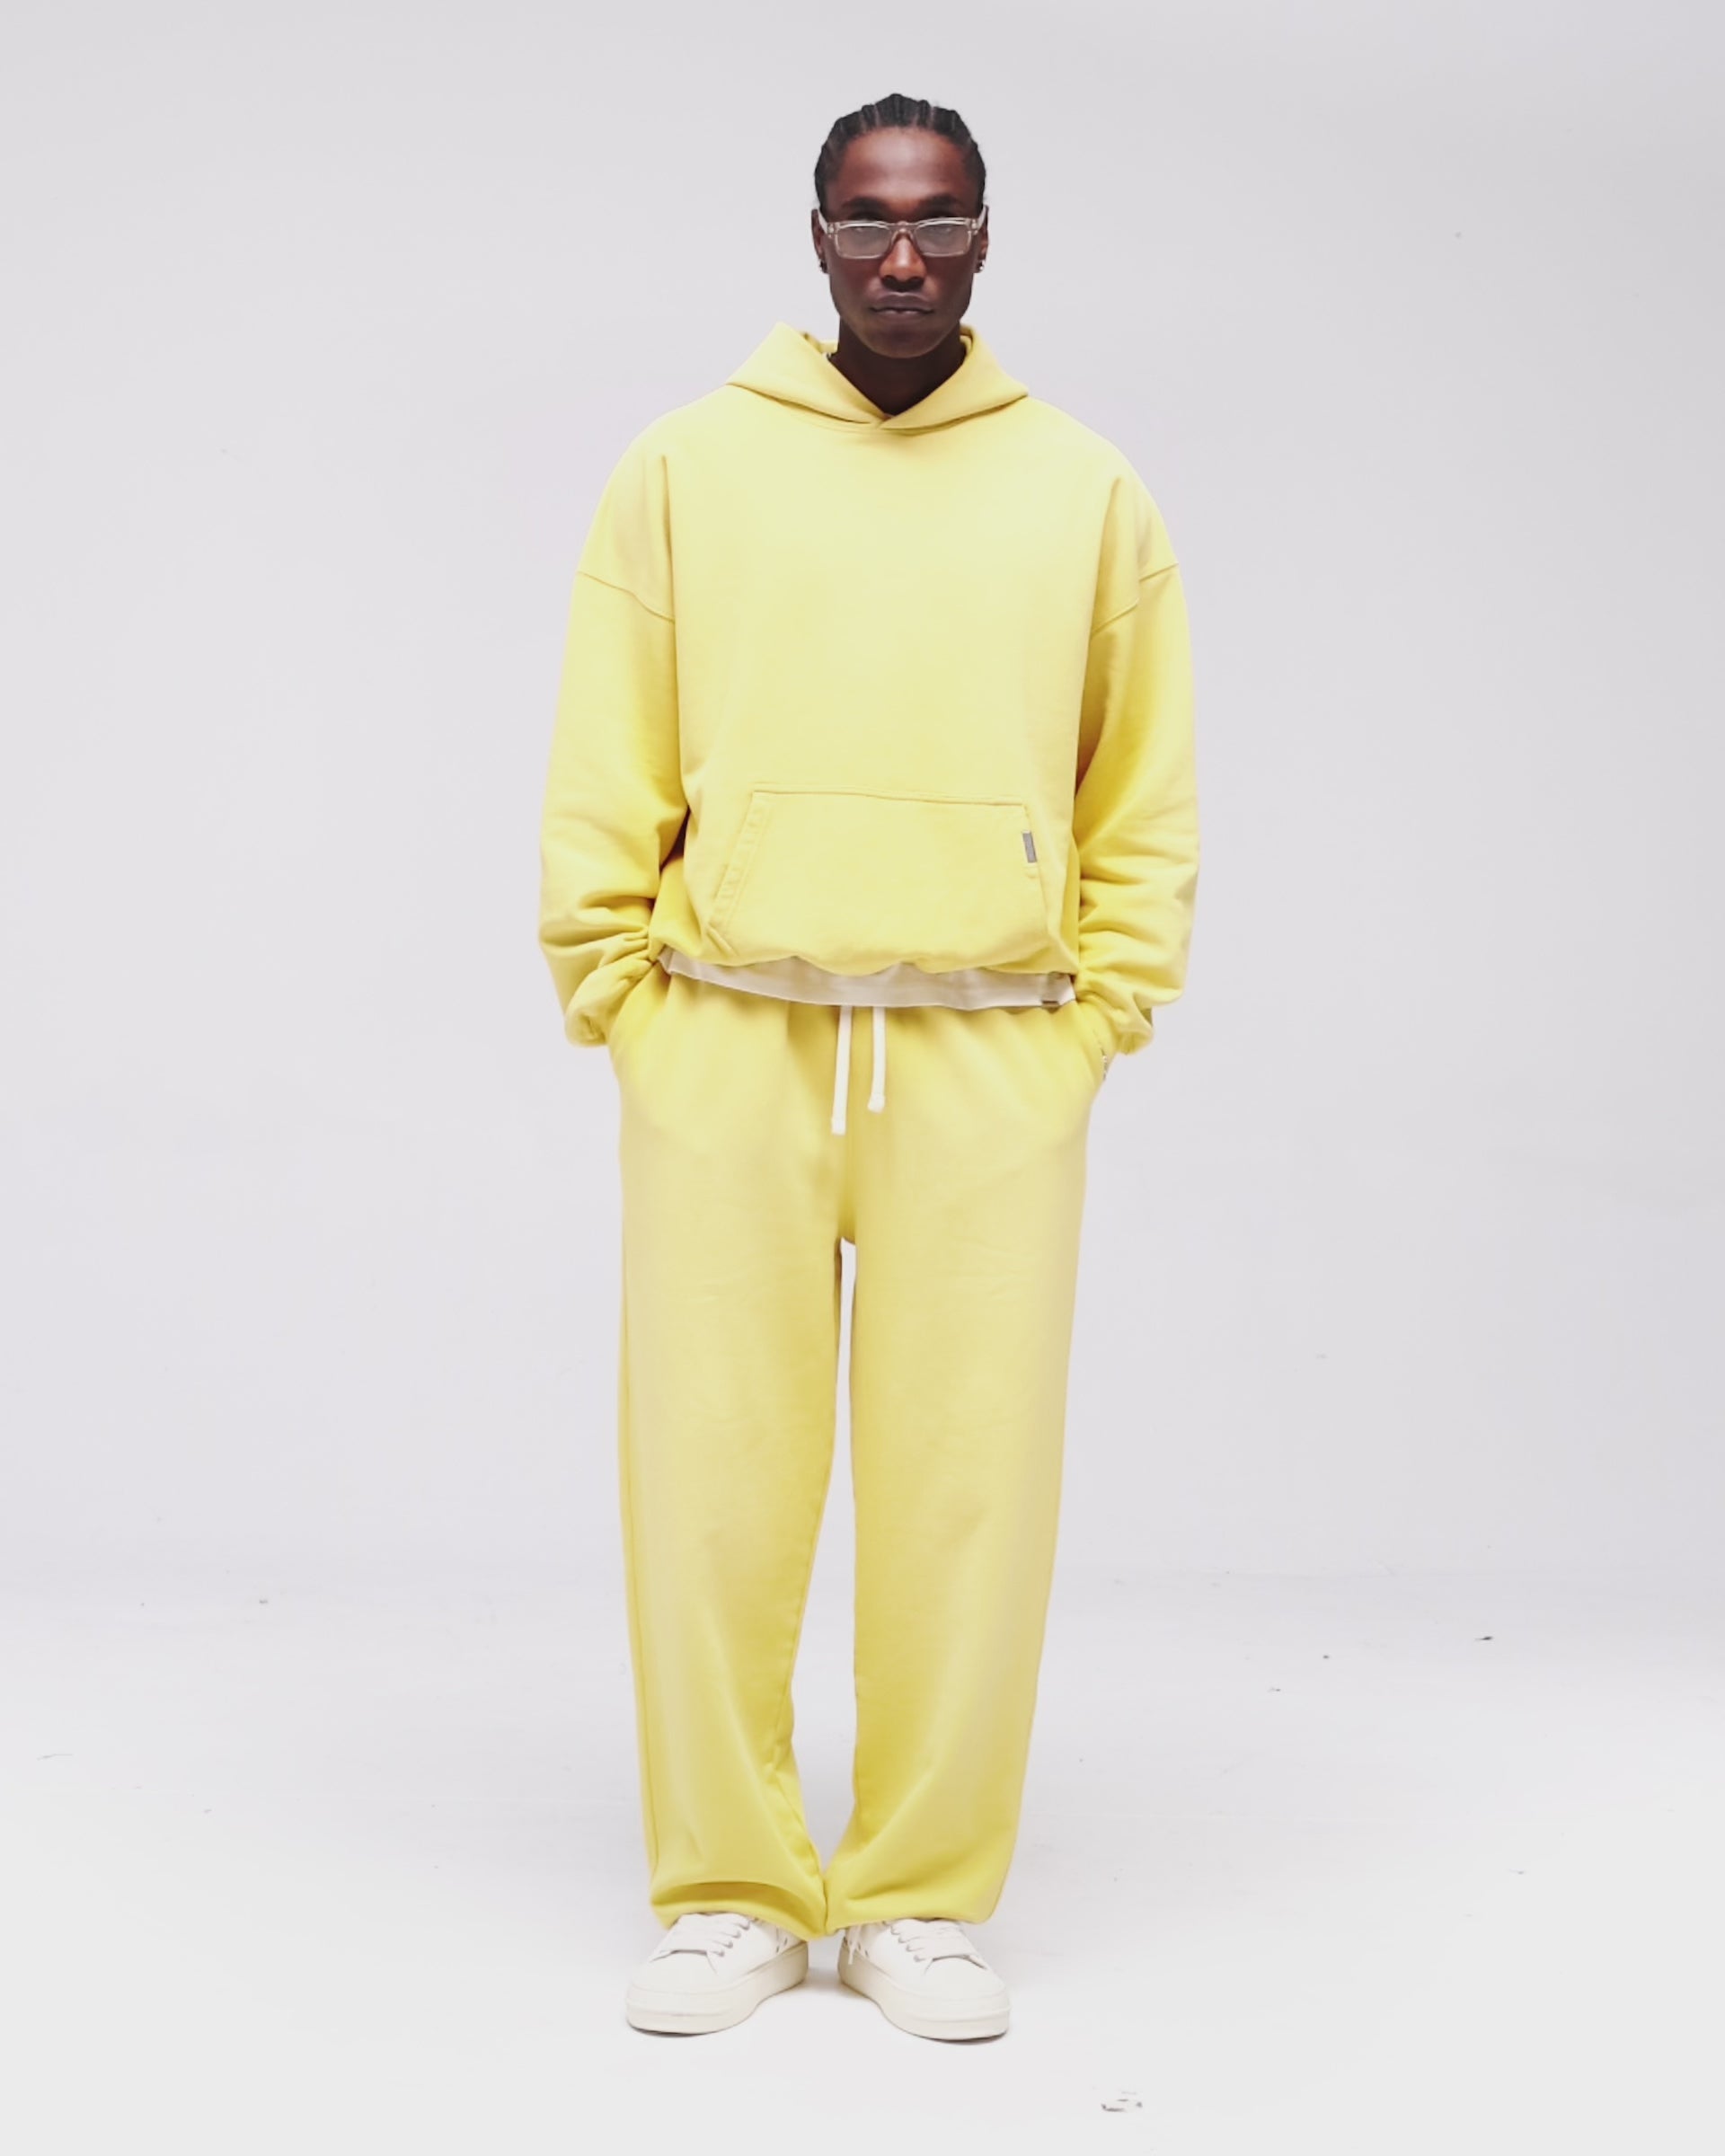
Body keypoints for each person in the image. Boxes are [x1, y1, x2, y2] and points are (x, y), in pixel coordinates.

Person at [537, 91, 1199, 2042]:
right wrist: (620, 994)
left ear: (986, 236)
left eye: (940, 219)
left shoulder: (1084, 488)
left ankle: (915, 1895)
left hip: (988, 1061)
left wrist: (1101, 1016)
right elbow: (606, 749)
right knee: (710, 1488)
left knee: (968, 1497)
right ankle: (730, 1892)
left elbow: (1141, 783)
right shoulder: (685, 468)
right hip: (727, 1040)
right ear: (816, 236)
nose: (904, 256)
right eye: (867, 220)